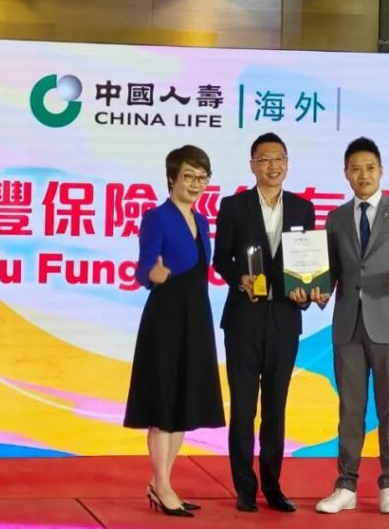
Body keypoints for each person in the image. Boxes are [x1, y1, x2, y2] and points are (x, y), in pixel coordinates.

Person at [314, 137, 389, 515]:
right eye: (355, 169)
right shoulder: (336, 218)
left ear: (381, 171)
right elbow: (330, 271)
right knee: (350, 409)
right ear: (346, 173)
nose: (363, 175)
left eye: (370, 168)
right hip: (348, 326)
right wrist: (315, 290)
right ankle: (345, 485)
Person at [212, 132, 318, 513]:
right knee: (243, 408)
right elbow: (220, 258)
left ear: (287, 164)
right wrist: (238, 278)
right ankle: (245, 488)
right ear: (252, 165)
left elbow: (308, 263)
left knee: (276, 407)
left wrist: (310, 291)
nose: (273, 166)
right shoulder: (233, 206)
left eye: (279, 159)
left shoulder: (303, 209)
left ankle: (273, 487)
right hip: (244, 318)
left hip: (285, 320)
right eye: (264, 159)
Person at [123, 145, 226, 518]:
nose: (196, 184)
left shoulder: (202, 220)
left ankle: (161, 483)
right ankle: (162, 485)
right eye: (189, 177)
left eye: (202, 178)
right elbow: (143, 268)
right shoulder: (156, 217)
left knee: (184, 403)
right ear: (171, 178)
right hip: (166, 318)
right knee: (163, 404)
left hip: (196, 317)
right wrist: (152, 274)